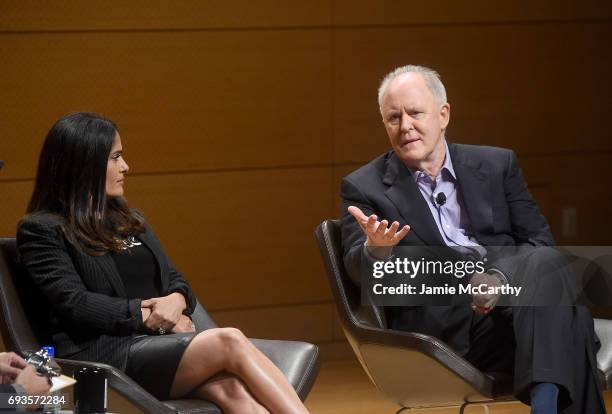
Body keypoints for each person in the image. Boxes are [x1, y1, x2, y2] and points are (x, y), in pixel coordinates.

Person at [340, 65, 605, 414]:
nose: (405, 126)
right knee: (569, 319)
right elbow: (358, 272)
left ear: (443, 114)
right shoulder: (365, 187)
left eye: (415, 112)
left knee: (548, 271)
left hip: (515, 311)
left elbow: (539, 241)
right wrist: (377, 251)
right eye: (393, 118)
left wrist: (498, 279)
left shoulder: (497, 164)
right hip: (443, 330)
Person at [17, 112, 309, 414]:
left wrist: (176, 299)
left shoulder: (130, 220)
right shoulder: (43, 229)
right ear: (83, 164)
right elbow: (75, 303)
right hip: (104, 356)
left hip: (157, 347)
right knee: (230, 339)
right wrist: (148, 316)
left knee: (232, 391)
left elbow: (174, 276)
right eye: (115, 157)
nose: (125, 167)